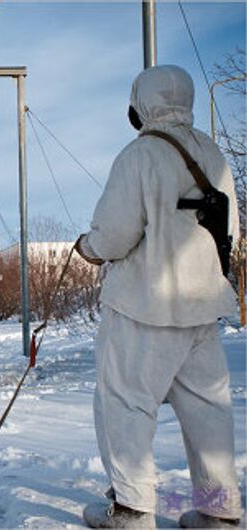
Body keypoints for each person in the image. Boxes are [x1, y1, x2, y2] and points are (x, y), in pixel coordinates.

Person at [77, 66, 241, 528]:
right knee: (209, 411)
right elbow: (231, 234)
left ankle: (131, 510)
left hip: (143, 308)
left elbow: (112, 237)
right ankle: (218, 513)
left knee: (127, 404)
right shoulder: (213, 156)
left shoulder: (139, 156)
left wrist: (87, 247)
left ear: (140, 105)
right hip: (202, 308)